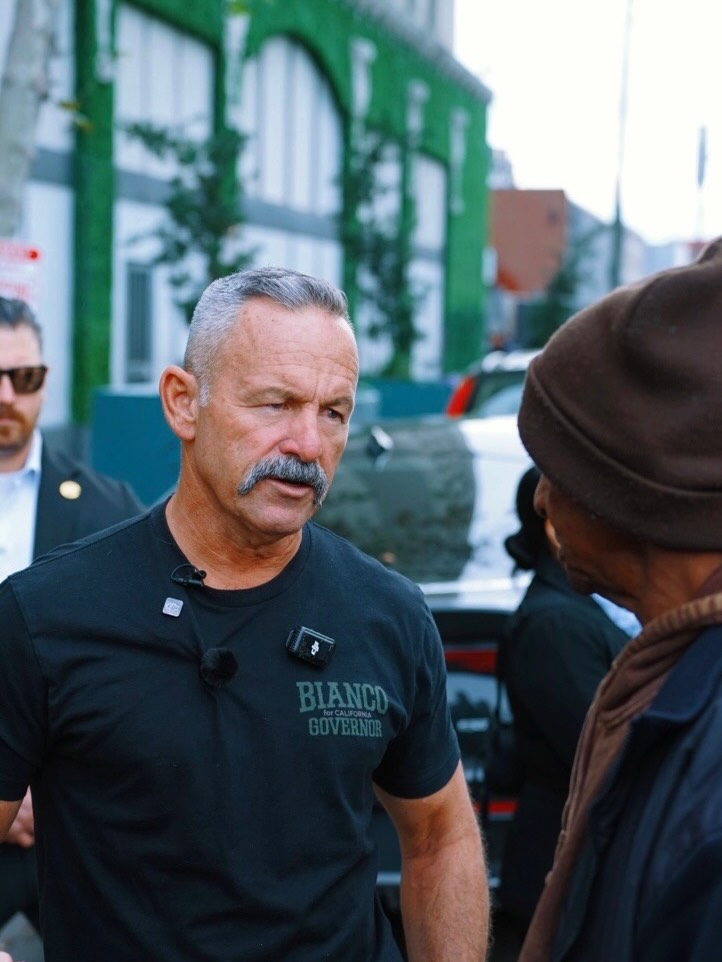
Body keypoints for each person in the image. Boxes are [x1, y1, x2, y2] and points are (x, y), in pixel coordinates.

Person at [0, 267, 488, 962]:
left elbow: (441, 833)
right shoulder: (45, 614)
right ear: (182, 402)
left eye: (333, 412)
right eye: (275, 404)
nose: (308, 444)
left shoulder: (389, 616)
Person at [514, 238, 722, 962]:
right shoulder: (680, 685)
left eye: (555, 467)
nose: (541, 501)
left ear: (629, 496)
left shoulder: (708, 745)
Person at [0, 297, 144, 940]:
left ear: (45, 381)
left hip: (75, 824)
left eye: (23, 377)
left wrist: (40, 788)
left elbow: (139, 664)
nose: (8, 394)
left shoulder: (106, 507)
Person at [496, 465, 628, 941]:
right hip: (557, 873)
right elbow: (606, 751)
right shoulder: (554, 627)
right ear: (556, 527)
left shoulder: (574, 614)